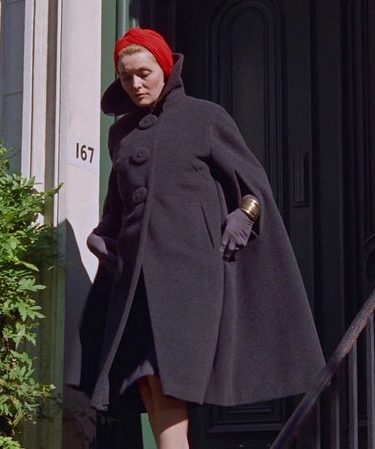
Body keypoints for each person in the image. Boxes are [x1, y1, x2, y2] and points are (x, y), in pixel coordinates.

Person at [69, 28, 324, 448]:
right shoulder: (121, 135)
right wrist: (102, 236)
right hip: (134, 280)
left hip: (189, 273)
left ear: (165, 69)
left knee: (164, 372)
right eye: (126, 77)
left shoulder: (205, 117)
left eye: (144, 73)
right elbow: (117, 203)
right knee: (145, 377)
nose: (135, 84)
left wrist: (244, 215)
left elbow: (254, 184)